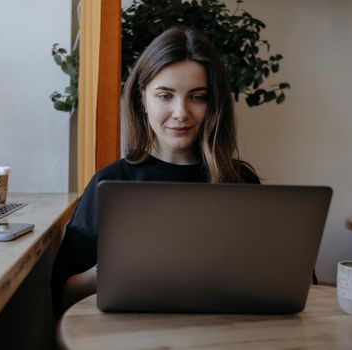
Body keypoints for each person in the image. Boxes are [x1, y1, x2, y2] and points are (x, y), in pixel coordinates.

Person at [51, 26, 260, 317]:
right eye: (165, 95)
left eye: (197, 96)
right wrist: (116, 265)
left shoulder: (241, 182)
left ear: (213, 104)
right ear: (143, 98)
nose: (181, 112)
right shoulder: (111, 183)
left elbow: (282, 278)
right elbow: (63, 295)